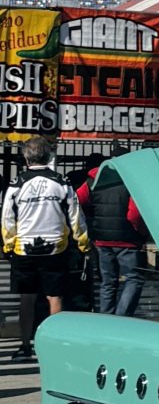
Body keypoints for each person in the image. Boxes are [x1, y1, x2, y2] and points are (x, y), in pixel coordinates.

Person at [2, 136, 90, 359]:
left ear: (25, 157)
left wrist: (8, 245)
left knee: (27, 299)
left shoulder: (16, 184)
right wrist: (83, 242)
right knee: (55, 297)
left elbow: (7, 219)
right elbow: (76, 216)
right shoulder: (62, 183)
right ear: (49, 156)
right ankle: (54, 349)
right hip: (55, 248)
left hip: (24, 248)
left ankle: (24, 346)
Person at [76, 148, 146, 316]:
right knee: (134, 279)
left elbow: (77, 200)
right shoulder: (132, 180)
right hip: (127, 239)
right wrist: (141, 233)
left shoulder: (93, 180)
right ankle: (122, 318)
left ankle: (107, 319)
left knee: (107, 282)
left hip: (101, 240)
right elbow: (134, 214)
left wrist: (91, 222)